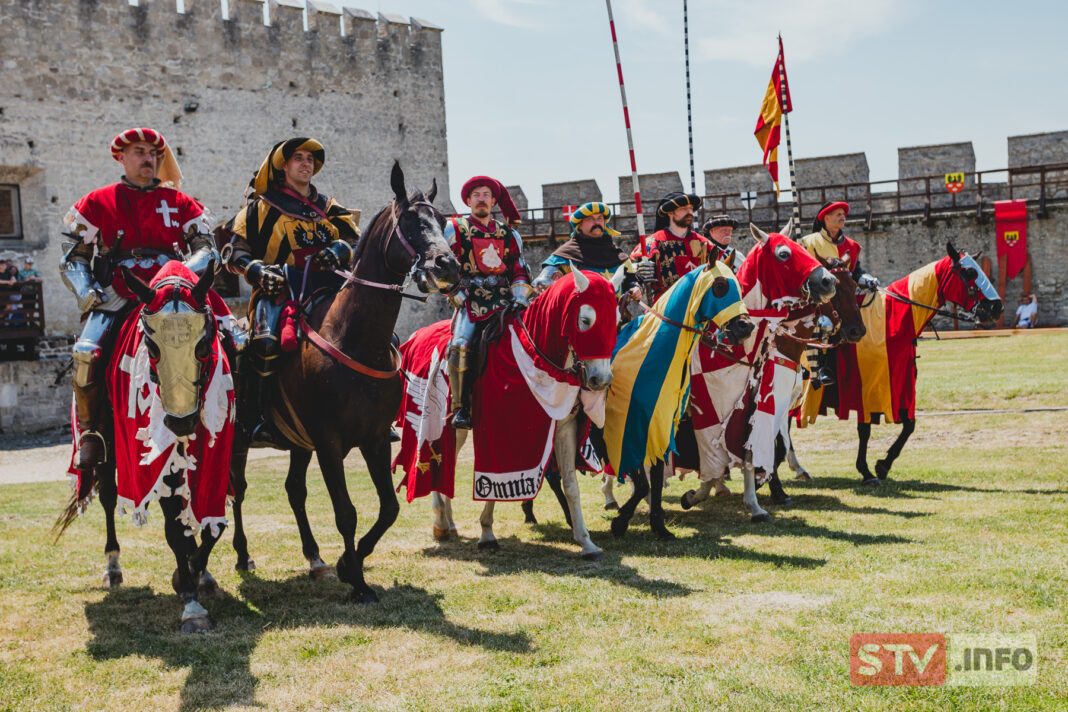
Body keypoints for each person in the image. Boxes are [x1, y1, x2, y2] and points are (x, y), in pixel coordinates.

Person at [61, 127, 217, 468]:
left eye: (153, 153)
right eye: (140, 152)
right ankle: (92, 436)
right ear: (121, 157)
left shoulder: (180, 202)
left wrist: (180, 280)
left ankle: (232, 418)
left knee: (232, 341)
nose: (148, 158)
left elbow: (207, 249)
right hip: (118, 291)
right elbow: (72, 256)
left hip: (172, 293)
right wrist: (87, 289)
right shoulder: (97, 202)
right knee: (86, 353)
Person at [221, 138, 361, 446]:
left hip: (331, 290)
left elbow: (355, 243)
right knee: (265, 344)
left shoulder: (330, 208)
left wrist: (339, 249)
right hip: (279, 291)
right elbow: (234, 253)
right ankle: (258, 420)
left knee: (374, 336)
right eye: (298, 158)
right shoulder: (260, 208)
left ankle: (374, 415)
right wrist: (256, 270)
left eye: (310, 159)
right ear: (283, 165)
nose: (306, 163)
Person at [445, 176, 532, 429]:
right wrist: (453, 291)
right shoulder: (454, 229)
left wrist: (519, 297)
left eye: (486, 195)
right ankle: (460, 407)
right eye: (477, 195)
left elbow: (518, 268)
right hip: (471, 302)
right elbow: (443, 267)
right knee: (460, 345)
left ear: (494, 201)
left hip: (505, 301)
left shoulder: (509, 234)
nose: (481, 199)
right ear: (469, 200)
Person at [798, 201, 880, 387]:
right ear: (826, 218)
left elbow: (855, 271)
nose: (842, 217)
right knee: (824, 322)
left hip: (843, 297)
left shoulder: (851, 245)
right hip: (815, 298)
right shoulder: (809, 242)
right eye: (837, 214)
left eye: (843, 214)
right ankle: (819, 366)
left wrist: (867, 279)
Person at [532, 201, 640, 300]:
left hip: (617, 317)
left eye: (599, 218)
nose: (596, 222)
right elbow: (542, 284)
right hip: (579, 318)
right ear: (580, 225)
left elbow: (630, 281)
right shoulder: (565, 255)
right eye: (590, 219)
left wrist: (635, 288)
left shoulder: (619, 255)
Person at [632, 191, 716, 301]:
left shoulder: (702, 243)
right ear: (670, 213)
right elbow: (631, 273)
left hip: (699, 305)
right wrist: (638, 271)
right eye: (683, 208)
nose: (689, 212)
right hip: (664, 307)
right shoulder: (654, 242)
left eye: (691, 208)